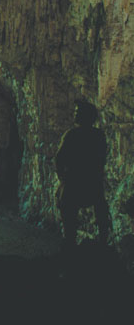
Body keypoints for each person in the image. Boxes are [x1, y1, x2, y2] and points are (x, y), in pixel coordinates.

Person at [55, 100, 111, 246]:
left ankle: (70, 239)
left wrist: (63, 179)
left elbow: (59, 159)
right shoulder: (99, 136)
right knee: (101, 205)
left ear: (84, 116)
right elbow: (101, 160)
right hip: (93, 183)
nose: (75, 113)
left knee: (64, 201)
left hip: (74, 183)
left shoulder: (71, 135)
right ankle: (103, 240)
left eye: (77, 112)